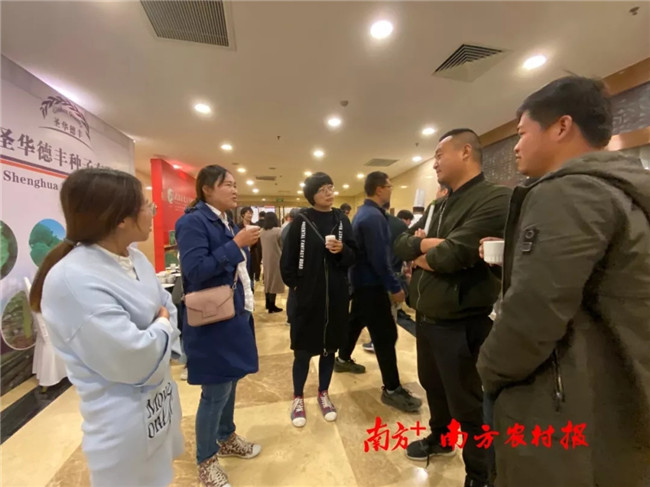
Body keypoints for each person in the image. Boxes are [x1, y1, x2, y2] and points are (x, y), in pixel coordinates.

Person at [477, 77, 650, 487]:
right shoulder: (623, 190)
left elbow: (534, 312)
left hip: (563, 405)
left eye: (522, 132)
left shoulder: (570, 192)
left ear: (562, 126)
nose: (515, 146)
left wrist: (489, 368)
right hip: (616, 398)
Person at [31, 168, 183, 486]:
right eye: (146, 205)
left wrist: (158, 324)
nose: (152, 211)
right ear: (121, 218)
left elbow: (166, 305)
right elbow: (133, 357)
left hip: (158, 405)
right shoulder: (72, 279)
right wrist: (161, 326)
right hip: (122, 423)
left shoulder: (136, 259)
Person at [394, 129, 510, 487]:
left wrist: (423, 251)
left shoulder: (495, 198)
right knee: (433, 385)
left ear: (465, 152)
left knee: (469, 404)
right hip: (427, 318)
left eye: (439, 154)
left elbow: (453, 255)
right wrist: (428, 246)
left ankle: (479, 474)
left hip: (463, 322)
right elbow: (399, 244)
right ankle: (441, 438)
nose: (435, 163)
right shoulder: (436, 206)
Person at [175, 165, 261, 487]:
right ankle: (206, 460)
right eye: (227, 184)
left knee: (231, 378)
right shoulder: (192, 222)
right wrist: (236, 244)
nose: (235, 190)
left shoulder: (225, 221)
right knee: (215, 391)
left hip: (233, 313)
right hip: (212, 319)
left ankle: (226, 437)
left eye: (235, 184)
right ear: (206, 189)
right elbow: (195, 271)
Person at [336, 172, 423, 413]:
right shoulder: (373, 217)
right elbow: (379, 259)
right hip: (372, 286)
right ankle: (393, 390)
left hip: (361, 283)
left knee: (355, 321)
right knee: (385, 336)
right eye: (389, 186)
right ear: (379, 189)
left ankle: (342, 359)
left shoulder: (364, 213)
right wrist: (394, 287)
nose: (391, 190)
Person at [280, 172, 356, 428]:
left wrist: (343, 250)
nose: (329, 192)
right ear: (312, 194)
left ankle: (323, 392)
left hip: (335, 297)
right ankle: (298, 397)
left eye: (331, 188)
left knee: (329, 349)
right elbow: (287, 262)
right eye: (323, 189)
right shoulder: (300, 222)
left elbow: (354, 255)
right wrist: (298, 287)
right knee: (302, 351)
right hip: (307, 299)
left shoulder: (342, 220)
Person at [363, 207, 414, 353]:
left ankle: (379, 343)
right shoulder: (401, 225)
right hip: (395, 274)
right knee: (390, 312)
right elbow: (407, 250)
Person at [259, 212, 285, 313]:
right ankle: (272, 305)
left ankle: (267, 303)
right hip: (276, 259)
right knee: (274, 282)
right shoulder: (278, 231)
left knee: (267, 281)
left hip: (266, 259)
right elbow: (282, 245)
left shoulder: (262, 231)